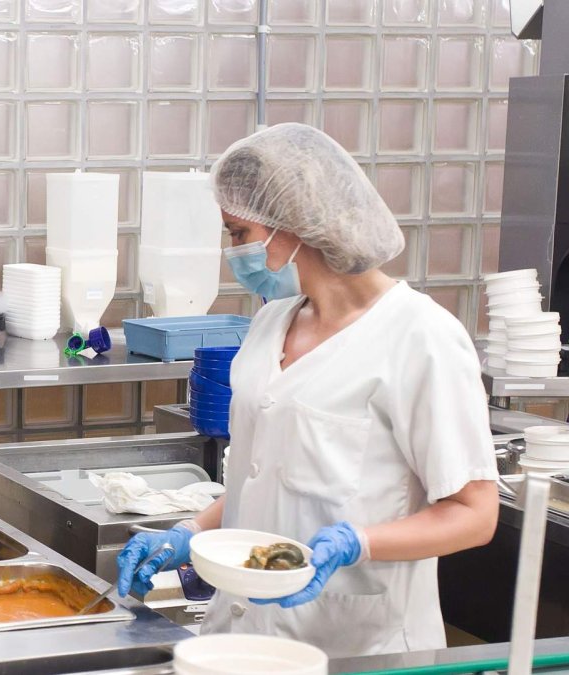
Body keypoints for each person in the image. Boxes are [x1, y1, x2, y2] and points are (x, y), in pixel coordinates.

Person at [115, 123, 499, 658]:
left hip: (358, 645)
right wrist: (189, 533)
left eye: (238, 233)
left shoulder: (421, 338)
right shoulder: (271, 323)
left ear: (294, 224)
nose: (233, 254)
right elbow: (267, 480)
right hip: (239, 636)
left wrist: (357, 544)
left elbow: (475, 513)